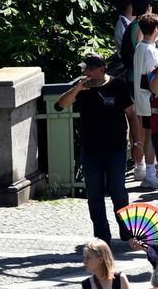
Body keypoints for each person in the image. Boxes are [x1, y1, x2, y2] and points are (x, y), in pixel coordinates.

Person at [58, 57, 137, 248]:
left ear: (101, 70)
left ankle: (127, 232)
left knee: (118, 191)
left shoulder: (118, 86)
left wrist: (138, 143)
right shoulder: (82, 88)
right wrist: (77, 89)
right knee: (94, 194)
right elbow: (60, 105)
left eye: (90, 70)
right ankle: (102, 236)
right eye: (84, 70)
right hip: (90, 150)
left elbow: (132, 115)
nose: (86, 74)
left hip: (116, 149)